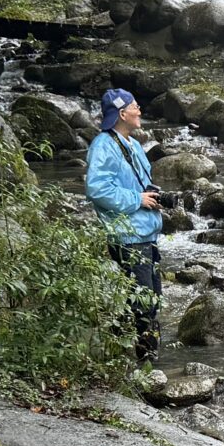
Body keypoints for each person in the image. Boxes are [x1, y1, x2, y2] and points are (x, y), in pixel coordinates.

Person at [85, 88, 165, 360]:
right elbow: (97, 190)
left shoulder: (131, 143)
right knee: (142, 304)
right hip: (128, 237)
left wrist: (152, 196)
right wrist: (137, 199)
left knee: (152, 300)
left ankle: (146, 362)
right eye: (135, 106)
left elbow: (141, 185)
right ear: (122, 113)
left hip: (145, 234)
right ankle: (144, 366)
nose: (140, 110)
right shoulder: (103, 146)